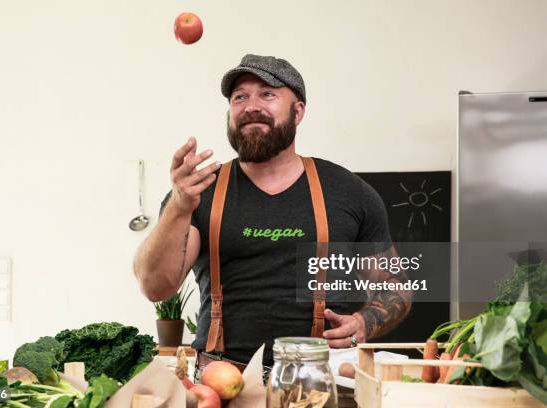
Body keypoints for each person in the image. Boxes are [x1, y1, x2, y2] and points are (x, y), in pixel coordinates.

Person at [134, 54, 412, 374]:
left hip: (318, 382)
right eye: (240, 97)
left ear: (298, 111)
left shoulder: (351, 193)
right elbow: (154, 286)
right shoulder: (197, 193)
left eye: (268, 93)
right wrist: (179, 207)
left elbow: (395, 284)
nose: (251, 105)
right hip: (219, 381)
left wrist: (366, 321)